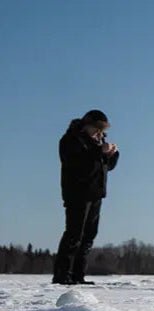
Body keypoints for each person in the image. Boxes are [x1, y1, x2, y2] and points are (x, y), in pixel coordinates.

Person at [52, 109, 119, 285]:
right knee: (74, 234)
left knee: (89, 236)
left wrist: (111, 155)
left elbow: (104, 167)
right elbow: (79, 167)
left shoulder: (97, 143)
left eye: (102, 130)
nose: (99, 133)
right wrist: (99, 152)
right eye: (96, 128)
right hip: (77, 194)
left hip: (96, 194)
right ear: (86, 126)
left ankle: (77, 275)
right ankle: (62, 275)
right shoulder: (71, 140)